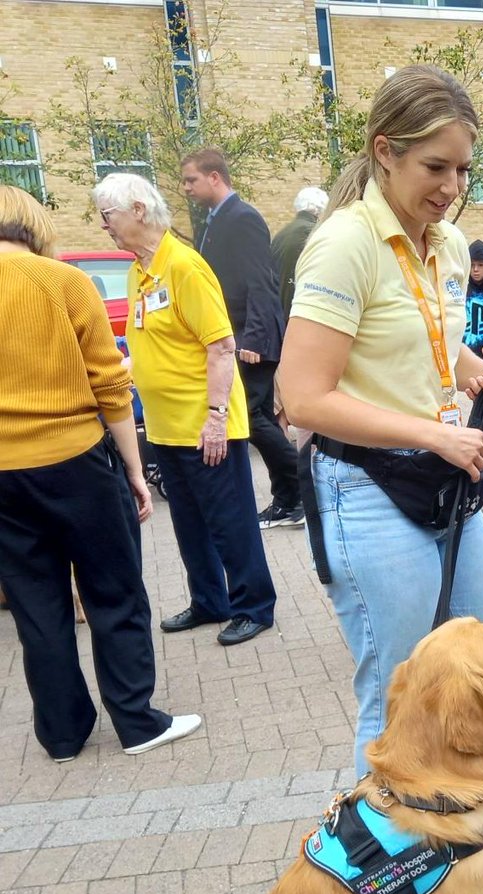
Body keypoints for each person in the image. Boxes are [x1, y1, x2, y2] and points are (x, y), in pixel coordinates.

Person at [276, 64, 483, 777]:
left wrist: (468, 365)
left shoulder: (445, 241)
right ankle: (383, 874)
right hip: (370, 491)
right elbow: (301, 397)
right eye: (435, 166)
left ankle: (454, 828)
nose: (451, 186)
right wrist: (433, 431)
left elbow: (416, 341)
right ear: (385, 150)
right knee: (399, 698)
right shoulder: (346, 242)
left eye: (464, 169)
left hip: (443, 480)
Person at [0, 185, 201, 760]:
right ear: (31, 223)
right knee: (113, 591)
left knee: (36, 605)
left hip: (4, 473)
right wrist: (135, 470)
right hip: (75, 460)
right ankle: (137, 721)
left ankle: (61, 735)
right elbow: (110, 384)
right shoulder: (63, 281)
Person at [95, 172, 277, 648]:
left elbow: (221, 346)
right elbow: (152, 347)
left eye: (107, 215)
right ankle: (209, 600)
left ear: (137, 210)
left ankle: (254, 605)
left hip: (205, 424)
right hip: (165, 426)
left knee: (229, 519)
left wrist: (216, 417)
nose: (103, 226)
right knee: (190, 521)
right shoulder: (140, 270)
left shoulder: (184, 267)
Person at [182, 148, 301, 529]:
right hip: (239, 336)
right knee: (261, 417)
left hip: (250, 340)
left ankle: (303, 487)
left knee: (249, 418)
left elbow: (259, 282)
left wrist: (254, 338)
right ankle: (289, 500)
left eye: (191, 180)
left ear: (215, 177)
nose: (186, 188)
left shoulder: (242, 217)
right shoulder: (214, 219)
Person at [272, 186, 329, 318]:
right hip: (300, 313)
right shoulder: (314, 233)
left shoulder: (280, 235)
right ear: (322, 211)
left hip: (278, 314)